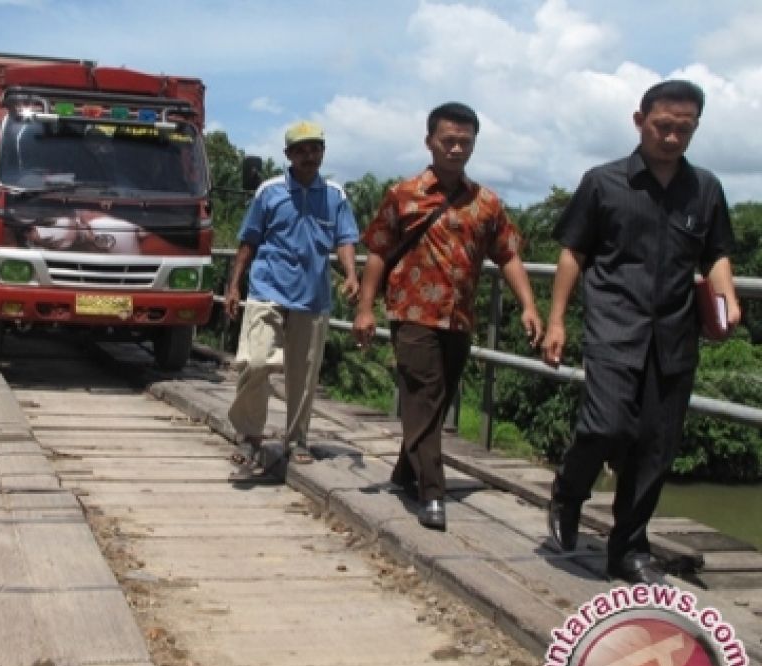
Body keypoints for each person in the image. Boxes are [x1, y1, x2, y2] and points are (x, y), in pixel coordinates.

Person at [543, 79, 740, 585]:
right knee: (606, 425)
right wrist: (557, 320)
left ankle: (629, 547)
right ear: (639, 121)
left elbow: (716, 253)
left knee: (657, 446)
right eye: (663, 127)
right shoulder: (603, 183)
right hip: (614, 326)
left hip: (675, 334)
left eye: (685, 129)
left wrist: (727, 299)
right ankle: (568, 491)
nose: (672, 138)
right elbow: (573, 253)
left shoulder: (706, 189)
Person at [352, 102, 543, 531]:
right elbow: (379, 252)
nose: (456, 149)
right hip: (413, 313)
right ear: (430, 142)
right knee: (423, 394)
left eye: (465, 142)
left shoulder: (486, 203)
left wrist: (529, 305)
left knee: (435, 404)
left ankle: (405, 472)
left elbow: (508, 254)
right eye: (448, 141)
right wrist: (365, 309)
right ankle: (432, 493)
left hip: (459, 318)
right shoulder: (404, 195)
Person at [226, 120, 360, 471]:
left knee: (304, 374)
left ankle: (297, 438)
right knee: (256, 362)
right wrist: (234, 284)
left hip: (312, 295)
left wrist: (350, 274)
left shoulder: (335, 196)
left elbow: (345, 240)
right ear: (288, 155)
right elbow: (248, 240)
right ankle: (250, 435)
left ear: (322, 152)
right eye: (301, 150)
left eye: (315, 148)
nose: (308, 155)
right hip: (266, 289)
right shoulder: (269, 192)